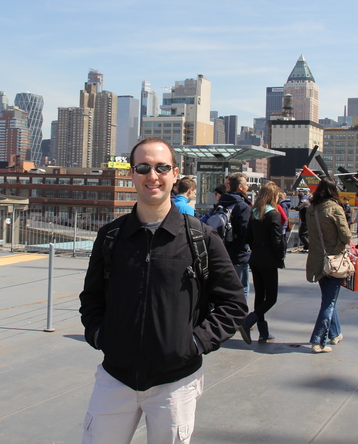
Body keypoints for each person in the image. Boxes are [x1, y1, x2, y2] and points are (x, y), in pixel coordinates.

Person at [79, 137, 246, 443]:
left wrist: (194, 343)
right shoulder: (111, 237)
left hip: (175, 384)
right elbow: (91, 298)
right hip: (115, 378)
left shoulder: (201, 239)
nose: (152, 176)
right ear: (132, 174)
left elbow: (233, 304)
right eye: (143, 167)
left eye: (161, 167)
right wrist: (100, 335)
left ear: (175, 173)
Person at [305, 178, 352, 354]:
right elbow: (346, 235)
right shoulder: (335, 208)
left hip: (317, 260)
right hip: (334, 261)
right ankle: (318, 341)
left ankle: (335, 333)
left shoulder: (312, 209)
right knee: (329, 302)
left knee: (328, 298)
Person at [240, 182, 286, 344]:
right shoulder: (273, 214)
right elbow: (277, 240)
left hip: (255, 258)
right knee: (271, 297)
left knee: (260, 296)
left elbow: (248, 237)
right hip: (269, 260)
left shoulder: (255, 213)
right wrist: (280, 257)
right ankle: (248, 321)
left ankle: (263, 333)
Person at [217, 172, 252, 299]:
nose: (248, 187)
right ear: (240, 187)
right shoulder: (243, 206)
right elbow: (245, 231)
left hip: (221, 250)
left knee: (224, 287)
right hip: (239, 253)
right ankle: (241, 311)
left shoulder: (221, 202)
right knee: (242, 288)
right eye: (246, 185)